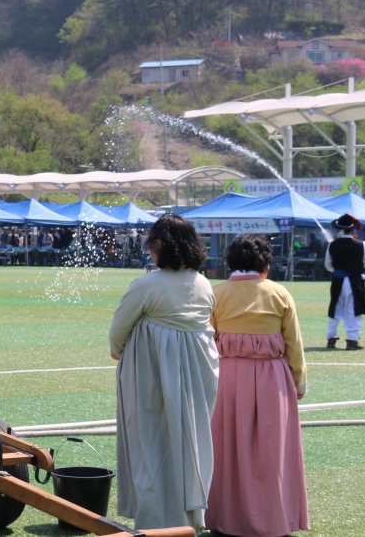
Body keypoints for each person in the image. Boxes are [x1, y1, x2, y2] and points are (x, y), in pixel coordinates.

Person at [109, 213, 218, 532]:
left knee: (150, 444)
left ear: (160, 247)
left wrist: (120, 350)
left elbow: (118, 332)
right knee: (189, 443)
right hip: (198, 377)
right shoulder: (203, 283)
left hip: (152, 376)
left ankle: (155, 523)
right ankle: (188, 519)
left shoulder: (146, 284)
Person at [206, 234, 309, 537]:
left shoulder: (216, 294)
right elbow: (294, 344)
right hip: (272, 379)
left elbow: (207, 344)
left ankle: (223, 517)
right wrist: (299, 381)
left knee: (224, 449)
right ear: (265, 263)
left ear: (231, 263)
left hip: (227, 378)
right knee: (272, 449)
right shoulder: (280, 293)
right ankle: (274, 518)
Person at [325, 214, 365, 350]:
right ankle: (352, 340)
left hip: (338, 279)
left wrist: (339, 270)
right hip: (355, 280)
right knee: (354, 309)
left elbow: (328, 265)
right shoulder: (362, 245)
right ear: (353, 230)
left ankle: (331, 338)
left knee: (335, 308)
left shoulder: (332, 245)